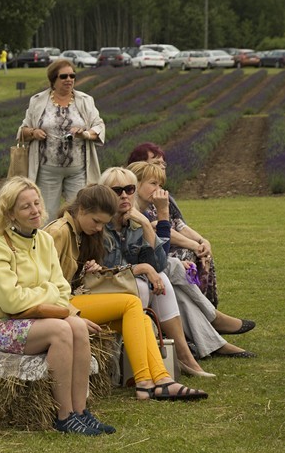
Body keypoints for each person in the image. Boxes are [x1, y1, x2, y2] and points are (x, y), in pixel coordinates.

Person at [0, 177, 115, 435]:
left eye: (37, 203)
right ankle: (64, 416)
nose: (35, 210)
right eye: (25, 206)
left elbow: (62, 291)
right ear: (10, 213)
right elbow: (9, 301)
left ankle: (81, 412)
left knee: (77, 327)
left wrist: (43, 294)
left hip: (30, 319)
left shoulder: (44, 241)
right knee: (60, 332)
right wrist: (46, 292)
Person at [44, 184, 208, 400]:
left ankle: (162, 379)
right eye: (96, 221)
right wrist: (70, 313)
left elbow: (67, 277)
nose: (100, 228)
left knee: (138, 316)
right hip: (59, 305)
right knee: (131, 303)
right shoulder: (59, 231)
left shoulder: (79, 231)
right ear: (81, 209)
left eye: (104, 223)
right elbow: (44, 282)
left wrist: (90, 269)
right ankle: (144, 381)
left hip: (70, 300)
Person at [99, 167, 252, 374]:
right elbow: (110, 267)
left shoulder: (134, 221)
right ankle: (210, 322)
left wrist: (148, 222)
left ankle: (186, 356)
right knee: (163, 277)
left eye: (128, 189)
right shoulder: (101, 223)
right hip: (105, 283)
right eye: (117, 190)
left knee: (163, 277)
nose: (124, 195)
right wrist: (160, 221)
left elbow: (160, 260)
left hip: (141, 275)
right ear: (104, 192)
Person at [127, 142, 220, 307]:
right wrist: (194, 245)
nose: (162, 167)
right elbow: (159, 236)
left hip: (158, 253)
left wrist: (202, 241)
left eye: (163, 163)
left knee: (202, 255)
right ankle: (208, 313)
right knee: (181, 262)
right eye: (156, 163)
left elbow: (179, 224)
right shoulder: (135, 208)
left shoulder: (161, 197)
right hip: (158, 254)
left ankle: (208, 308)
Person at [18, 59, 105, 222]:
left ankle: (77, 246)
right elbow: (22, 131)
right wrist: (34, 132)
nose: (69, 79)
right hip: (47, 170)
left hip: (78, 170)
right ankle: (47, 245)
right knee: (46, 215)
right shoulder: (37, 101)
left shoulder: (85, 101)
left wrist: (85, 134)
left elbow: (99, 126)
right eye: (64, 76)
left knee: (80, 212)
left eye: (72, 76)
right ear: (53, 80)